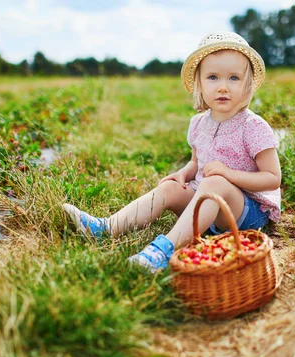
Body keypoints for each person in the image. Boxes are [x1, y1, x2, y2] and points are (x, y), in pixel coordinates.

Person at [62, 31, 282, 272]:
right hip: (207, 208)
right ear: (199, 84)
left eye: (233, 78)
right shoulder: (199, 123)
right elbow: (196, 163)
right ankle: (106, 228)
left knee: (216, 181)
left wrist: (227, 174)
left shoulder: (253, 126)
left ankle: (163, 251)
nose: (222, 87)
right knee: (170, 187)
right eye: (212, 78)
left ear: (247, 83)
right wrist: (184, 174)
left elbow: (272, 179)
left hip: (246, 215)